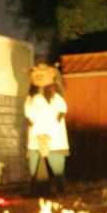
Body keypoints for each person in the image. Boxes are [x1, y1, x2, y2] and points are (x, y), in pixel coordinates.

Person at [25, 61, 69, 194]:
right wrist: (39, 136)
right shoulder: (30, 99)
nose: (39, 77)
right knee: (34, 167)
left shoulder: (56, 98)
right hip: (36, 139)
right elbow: (29, 117)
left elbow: (60, 114)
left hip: (54, 139)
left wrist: (49, 135)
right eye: (36, 74)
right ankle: (37, 190)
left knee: (57, 167)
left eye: (43, 74)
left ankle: (60, 191)